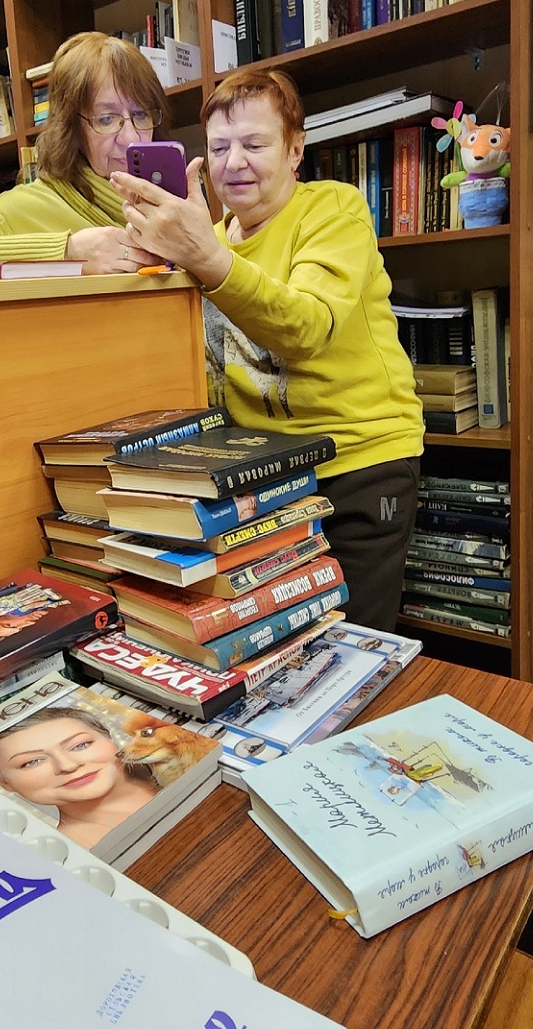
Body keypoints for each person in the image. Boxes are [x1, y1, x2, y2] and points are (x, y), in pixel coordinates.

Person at [112, 67, 424, 633]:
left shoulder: (334, 209)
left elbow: (307, 328)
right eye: (219, 148)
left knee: (352, 639)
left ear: (295, 149)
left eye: (254, 145)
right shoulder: (211, 241)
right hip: (263, 473)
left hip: (359, 461)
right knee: (282, 641)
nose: (234, 163)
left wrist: (208, 260)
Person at [0, 31, 169, 275]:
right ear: (71, 128)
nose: (130, 138)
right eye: (106, 119)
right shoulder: (25, 205)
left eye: (141, 115)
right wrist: (67, 251)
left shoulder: (170, 203)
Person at [0, 706, 159, 850]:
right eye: (33, 762)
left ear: (110, 740)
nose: (67, 766)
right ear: (4, 782)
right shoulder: (70, 857)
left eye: (80, 745)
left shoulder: (172, 763)